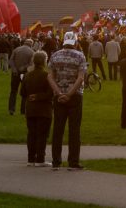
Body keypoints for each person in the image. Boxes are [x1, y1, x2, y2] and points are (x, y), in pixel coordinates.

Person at [48, 31, 86, 170]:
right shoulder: (80, 56)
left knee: (58, 129)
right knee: (74, 130)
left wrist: (59, 93)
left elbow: (50, 77)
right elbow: (81, 77)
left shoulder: (55, 55)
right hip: (75, 96)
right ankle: (73, 162)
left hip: (58, 96)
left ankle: (56, 162)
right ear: (75, 42)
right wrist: (69, 94)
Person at [23, 50, 54, 166]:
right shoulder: (47, 76)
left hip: (30, 109)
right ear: (44, 62)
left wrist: (32, 96)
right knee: (42, 134)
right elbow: (50, 93)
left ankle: (31, 159)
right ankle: (40, 159)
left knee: (31, 134)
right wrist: (39, 96)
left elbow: (22, 92)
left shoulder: (27, 75)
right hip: (44, 109)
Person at [9, 38, 35, 115]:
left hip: (15, 73)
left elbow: (11, 60)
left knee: (13, 91)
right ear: (31, 44)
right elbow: (31, 64)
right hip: (25, 73)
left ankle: (11, 109)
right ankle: (23, 110)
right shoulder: (32, 52)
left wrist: (14, 69)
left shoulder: (16, 49)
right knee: (25, 92)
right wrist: (23, 68)